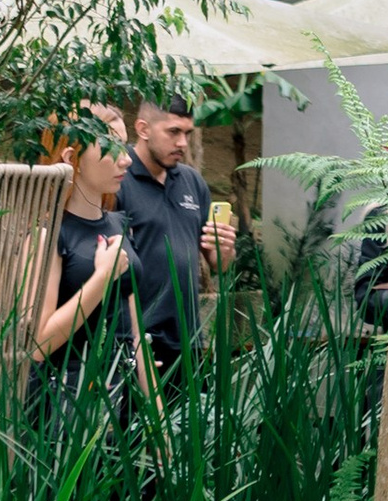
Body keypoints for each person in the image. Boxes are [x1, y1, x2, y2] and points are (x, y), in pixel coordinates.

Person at [116, 95, 240, 381]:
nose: (183, 143)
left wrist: (224, 249)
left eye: (187, 133)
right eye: (173, 132)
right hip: (134, 340)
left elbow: (219, 265)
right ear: (143, 129)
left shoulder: (192, 181)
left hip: (188, 338)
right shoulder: (118, 178)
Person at [35, 104, 139, 376]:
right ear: (71, 158)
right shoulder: (47, 235)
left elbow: (136, 336)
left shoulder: (120, 224)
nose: (126, 159)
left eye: (125, 146)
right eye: (112, 146)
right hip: (64, 400)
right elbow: (38, 344)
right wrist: (103, 277)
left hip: (118, 396)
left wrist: (157, 410)